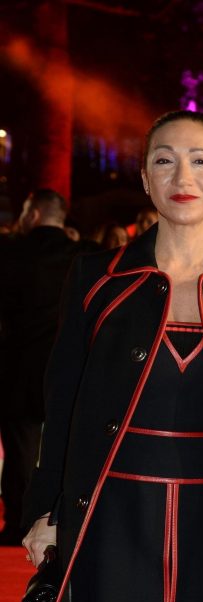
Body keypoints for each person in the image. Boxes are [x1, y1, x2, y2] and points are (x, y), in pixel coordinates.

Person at [21, 110, 203, 602]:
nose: (182, 178)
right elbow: (62, 401)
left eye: (200, 161)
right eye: (164, 160)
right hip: (113, 511)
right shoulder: (97, 280)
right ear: (145, 178)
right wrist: (46, 509)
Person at [0, 189, 88, 545]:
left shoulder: (9, 252)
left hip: (19, 363)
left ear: (33, 213)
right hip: (69, 364)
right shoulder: (83, 255)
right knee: (67, 441)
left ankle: (19, 521)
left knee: (20, 445)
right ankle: (61, 515)